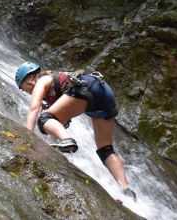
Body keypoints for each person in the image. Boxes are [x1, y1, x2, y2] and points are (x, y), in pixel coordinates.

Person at [15, 61, 137, 201]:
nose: (24, 91)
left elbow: (34, 109)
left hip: (86, 88)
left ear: (30, 79)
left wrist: (26, 135)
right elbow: (58, 123)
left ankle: (67, 140)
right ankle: (126, 191)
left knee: (43, 119)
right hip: (102, 93)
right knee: (105, 150)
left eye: (23, 87)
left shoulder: (41, 80)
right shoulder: (56, 86)